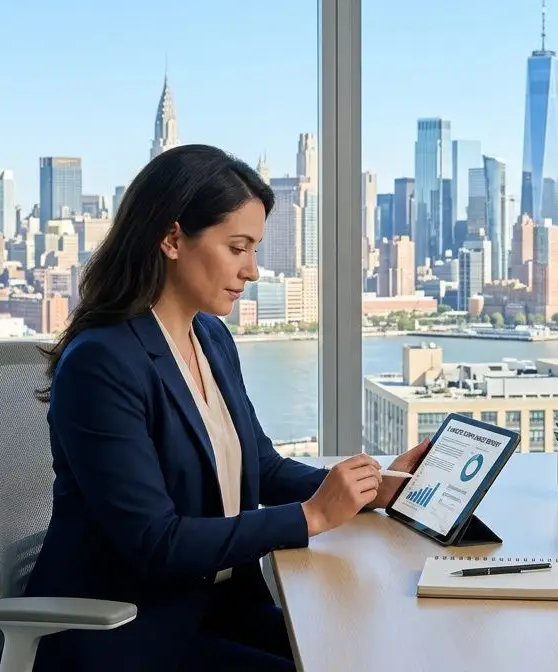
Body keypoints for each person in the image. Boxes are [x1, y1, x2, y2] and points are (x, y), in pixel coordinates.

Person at [23, 144, 431, 672]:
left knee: (374, 646)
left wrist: (368, 491)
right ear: (172, 239)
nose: (253, 270)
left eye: (255, 249)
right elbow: (155, 542)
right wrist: (312, 516)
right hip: (131, 629)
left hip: (215, 607)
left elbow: (258, 466)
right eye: (238, 247)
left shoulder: (209, 337)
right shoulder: (102, 362)